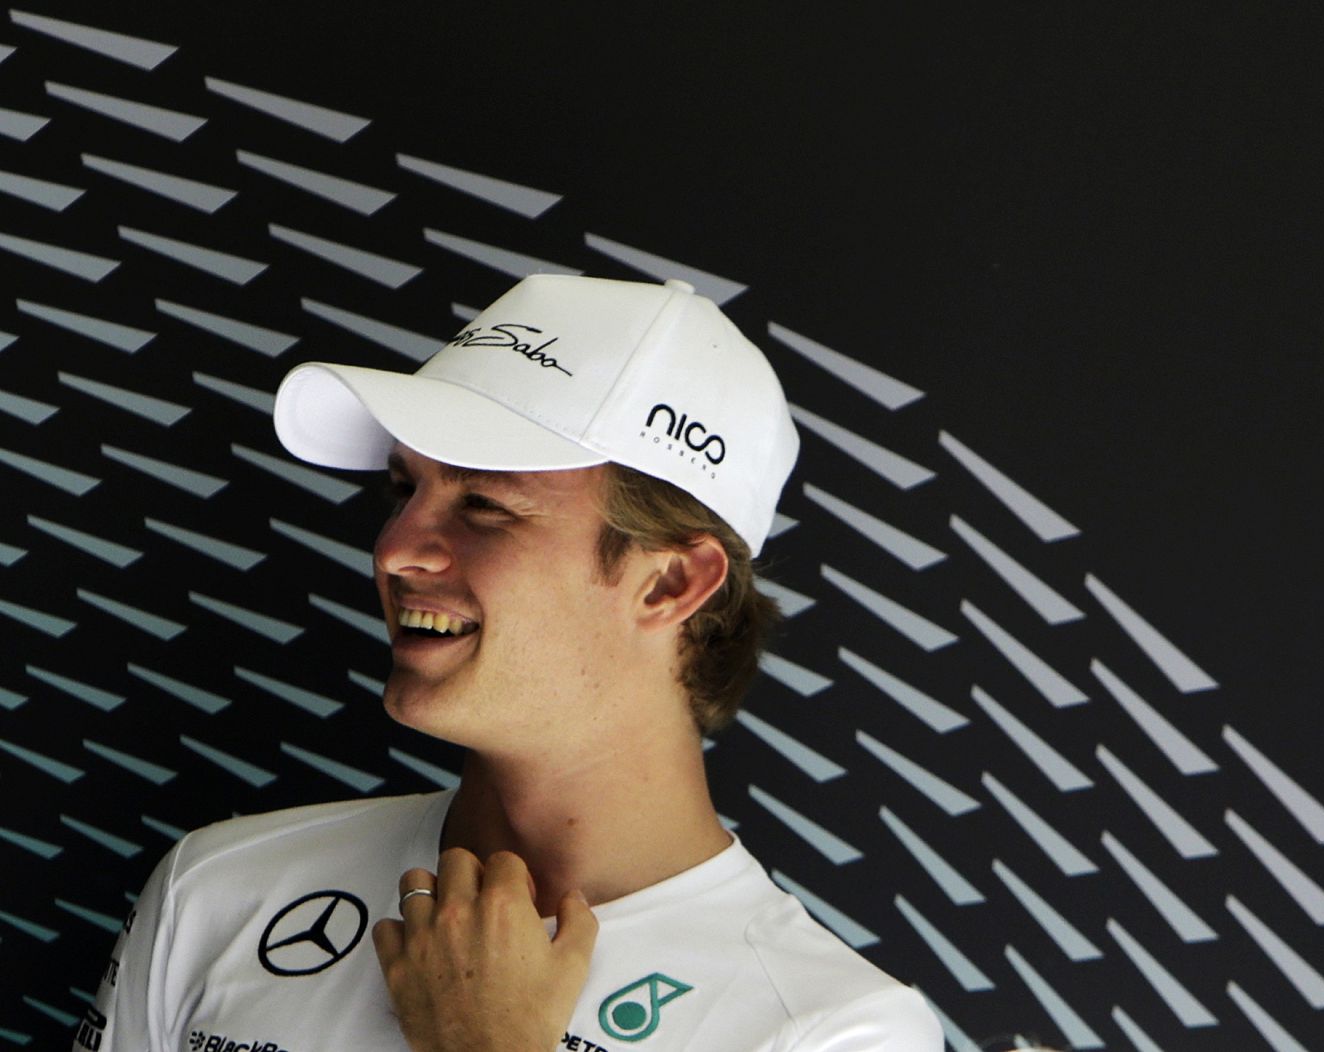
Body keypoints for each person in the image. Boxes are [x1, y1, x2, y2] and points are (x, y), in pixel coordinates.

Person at [77, 275, 943, 1051]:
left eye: (486, 505)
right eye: (402, 490)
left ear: (670, 582)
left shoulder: (833, 1030)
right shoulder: (221, 889)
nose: (396, 549)